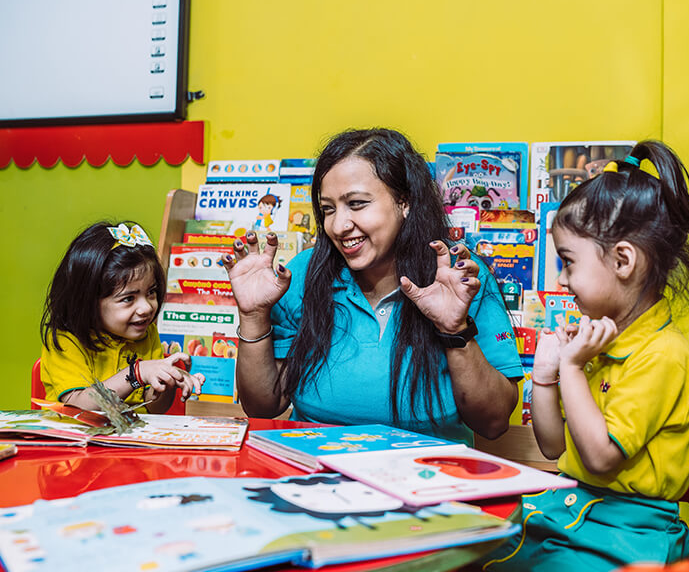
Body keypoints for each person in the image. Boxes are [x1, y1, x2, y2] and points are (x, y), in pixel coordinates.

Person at [479, 141, 689, 571]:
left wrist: (572, 367)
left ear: (623, 260)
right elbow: (553, 446)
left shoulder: (663, 354)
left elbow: (600, 456)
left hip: (631, 532)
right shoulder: (602, 339)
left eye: (568, 262)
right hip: (577, 510)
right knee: (477, 553)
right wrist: (547, 376)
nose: (562, 279)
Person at [223, 128, 522, 444]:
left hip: (426, 471)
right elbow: (262, 407)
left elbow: (493, 422)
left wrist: (455, 331)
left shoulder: (458, 277)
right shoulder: (302, 274)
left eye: (357, 203)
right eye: (328, 209)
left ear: (404, 201)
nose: (339, 226)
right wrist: (253, 315)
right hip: (314, 468)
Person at [40, 222, 205, 413]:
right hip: (74, 433)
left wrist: (167, 382)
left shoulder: (146, 332)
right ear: (88, 300)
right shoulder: (66, 339)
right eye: (128, 298)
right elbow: (78, 407)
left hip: (130, 432)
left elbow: (154, 408)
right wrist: (136, 374)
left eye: (151, 292)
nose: (146, 308)